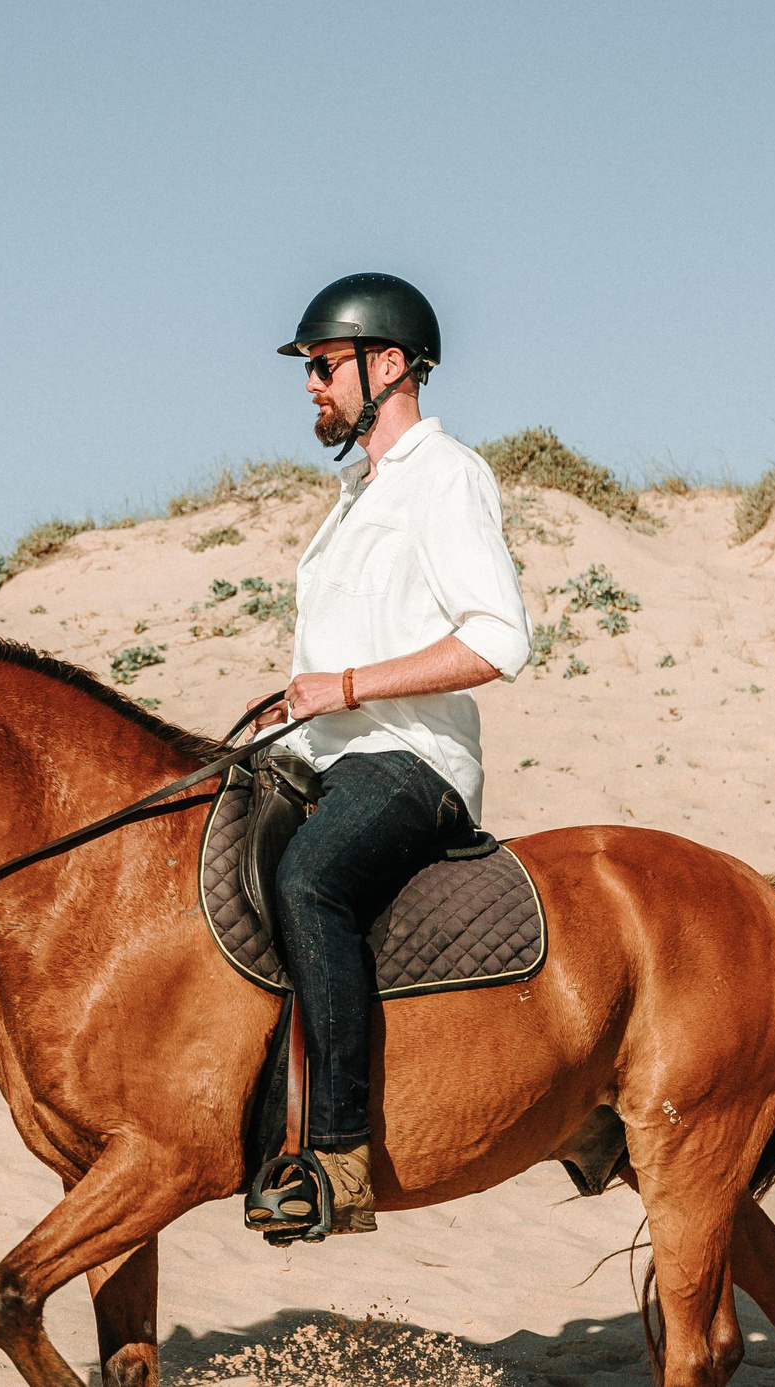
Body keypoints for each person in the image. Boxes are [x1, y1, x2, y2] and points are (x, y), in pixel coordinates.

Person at [246, 272, 533, 1237]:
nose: (313, 385)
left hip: (411, 763)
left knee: (311, 881)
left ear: (391, 364)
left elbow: (499, 640)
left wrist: (350, 686)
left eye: (324, 366)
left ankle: (337, 1158)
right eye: (314, 370)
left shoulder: (444, 478)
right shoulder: (356, 495)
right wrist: (296, 708)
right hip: (326, 754)